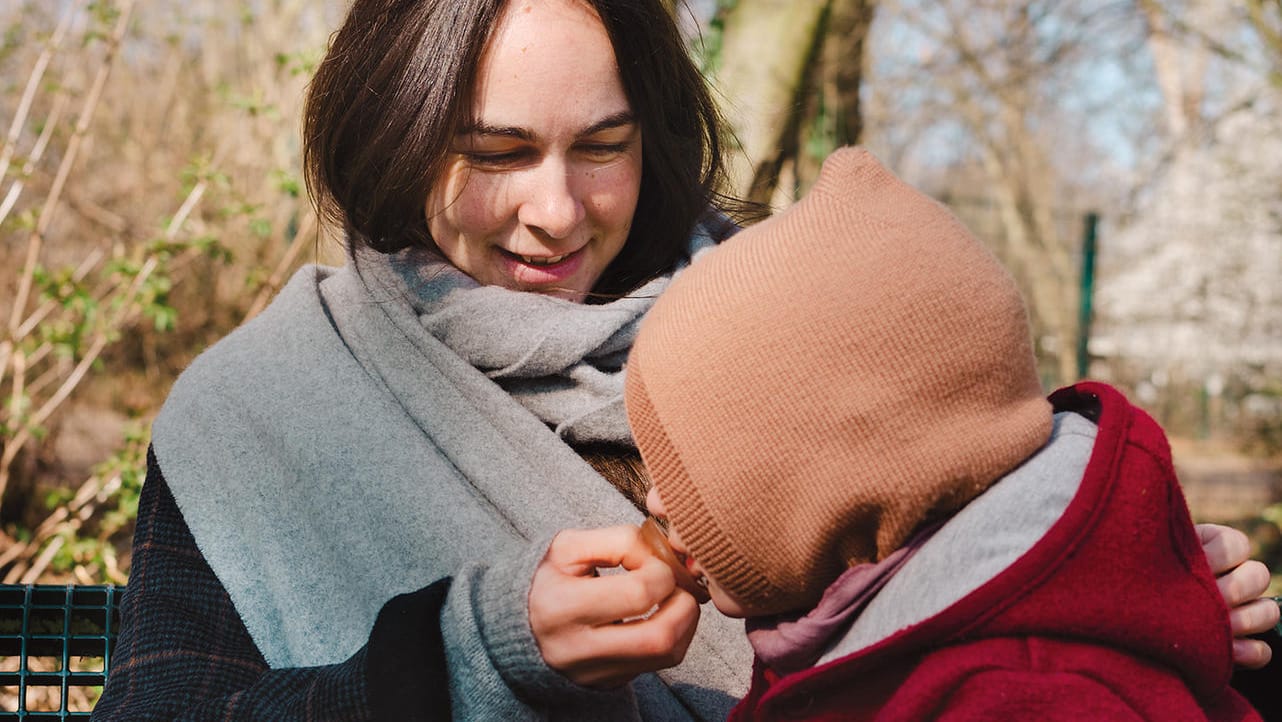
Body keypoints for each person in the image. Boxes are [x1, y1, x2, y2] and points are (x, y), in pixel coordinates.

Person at [91, 0, 1276, 720]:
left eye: (601, 147)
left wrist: (1155, 589)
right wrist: (473, 660)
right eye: (494, 152)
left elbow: (1011, 555)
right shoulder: (264, 416)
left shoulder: (815, 318)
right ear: (387, 135)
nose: (555, 210)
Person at [629, 146, 1272, 720]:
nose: (655, 500)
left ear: (821, 483)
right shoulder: (871, 624)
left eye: (683, 472)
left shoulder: (1025, 696)